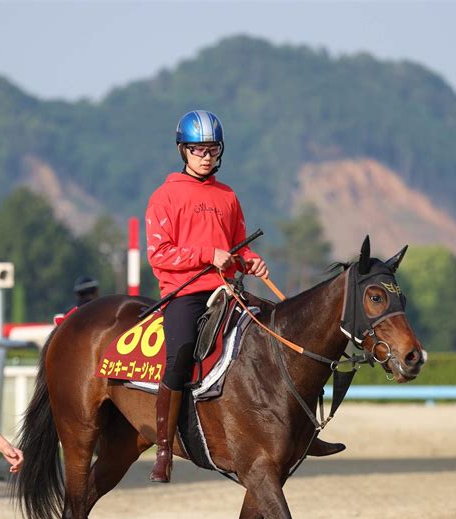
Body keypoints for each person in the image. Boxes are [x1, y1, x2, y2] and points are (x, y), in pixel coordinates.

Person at [146, 110, 343, 483]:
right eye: (197, 149)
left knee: (285, 335)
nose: (205, 156)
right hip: (185, 293)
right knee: (181, 351)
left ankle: (303, 433)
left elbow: (237, 246)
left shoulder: (227, 195)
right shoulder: (164, 196)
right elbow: (159, 254)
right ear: (182, 151)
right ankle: (162, 446)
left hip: (229, 291)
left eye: (211, 149)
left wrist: (251, 261)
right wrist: (208, 254)